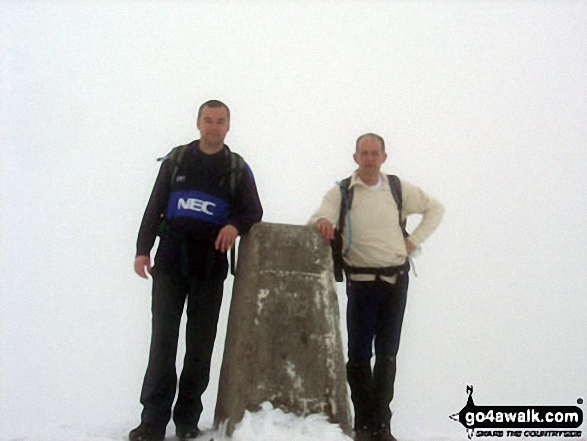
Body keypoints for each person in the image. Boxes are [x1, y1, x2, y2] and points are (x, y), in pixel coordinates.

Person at [129, 100, 263, 441]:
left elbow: (253, 211)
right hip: (170, 265)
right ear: (198, 123)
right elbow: (155, 205)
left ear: (228, 127)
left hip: (210, 268)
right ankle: (152, 422)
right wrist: (142, 250)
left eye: (220, 121)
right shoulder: (176, 161)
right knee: (163, 344)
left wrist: (234, 225)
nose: (213, 126)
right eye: (208, 120)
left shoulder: (236, 168)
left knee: (199, 348)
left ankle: (188, 420)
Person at [309, 133, 444, 441]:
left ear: (384, 157)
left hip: (396, 282)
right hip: (361, 283)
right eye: (364, 153)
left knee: (387, 355)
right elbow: (318, 219)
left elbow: (435, 208)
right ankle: (363, 426)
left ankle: (382, 426)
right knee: (358, 356)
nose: (369, 158)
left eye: (374, 153)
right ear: (355, 158)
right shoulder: (342, 193)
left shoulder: (397, 189)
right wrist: (323, 226)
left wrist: (412, 242)